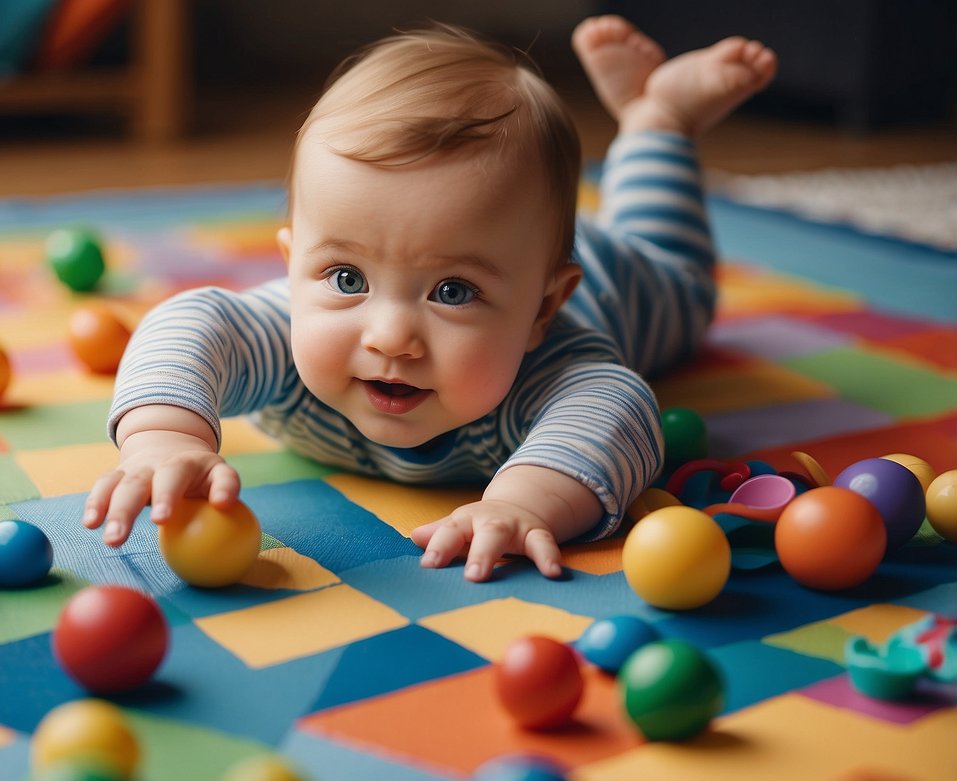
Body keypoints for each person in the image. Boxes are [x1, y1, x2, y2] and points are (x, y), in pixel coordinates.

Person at [83, 15, 777, 582]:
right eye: (347, 279)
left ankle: (657, 122)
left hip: (618, 276)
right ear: (292, 267)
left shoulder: (556, 369)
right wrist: (165, 437)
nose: (389, 336)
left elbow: (621, 414)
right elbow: (189, 319)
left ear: (541, 308)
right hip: (521, 253)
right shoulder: (282, 334)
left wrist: (517, 503)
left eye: (451, 291)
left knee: (679, 282)